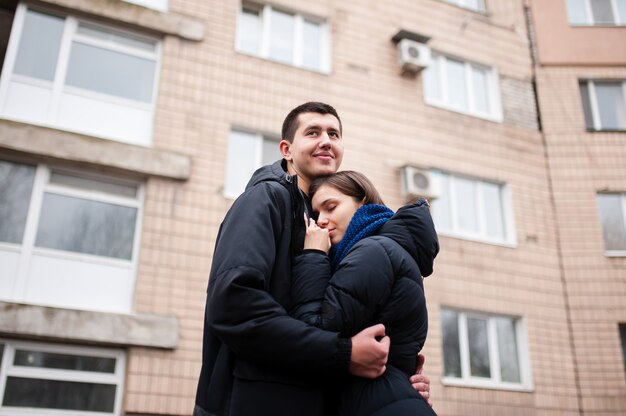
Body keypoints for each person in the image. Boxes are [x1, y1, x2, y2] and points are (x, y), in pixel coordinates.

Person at [194, 102, 431, 416]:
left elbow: (349, 324)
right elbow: (233, 303)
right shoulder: (266, 199)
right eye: (313, 132)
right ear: (287, 150)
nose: (326, 140)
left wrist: (396, 381)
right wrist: (343, 353)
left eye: (334, 133)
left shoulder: (330, 231)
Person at [290, 171, 439, 415]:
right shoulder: (381, 249)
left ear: (363, 202)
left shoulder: (374, 251)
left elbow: (313, 334)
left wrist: (313, 256)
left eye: (331, 207)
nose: (321, 221)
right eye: (316, 215)